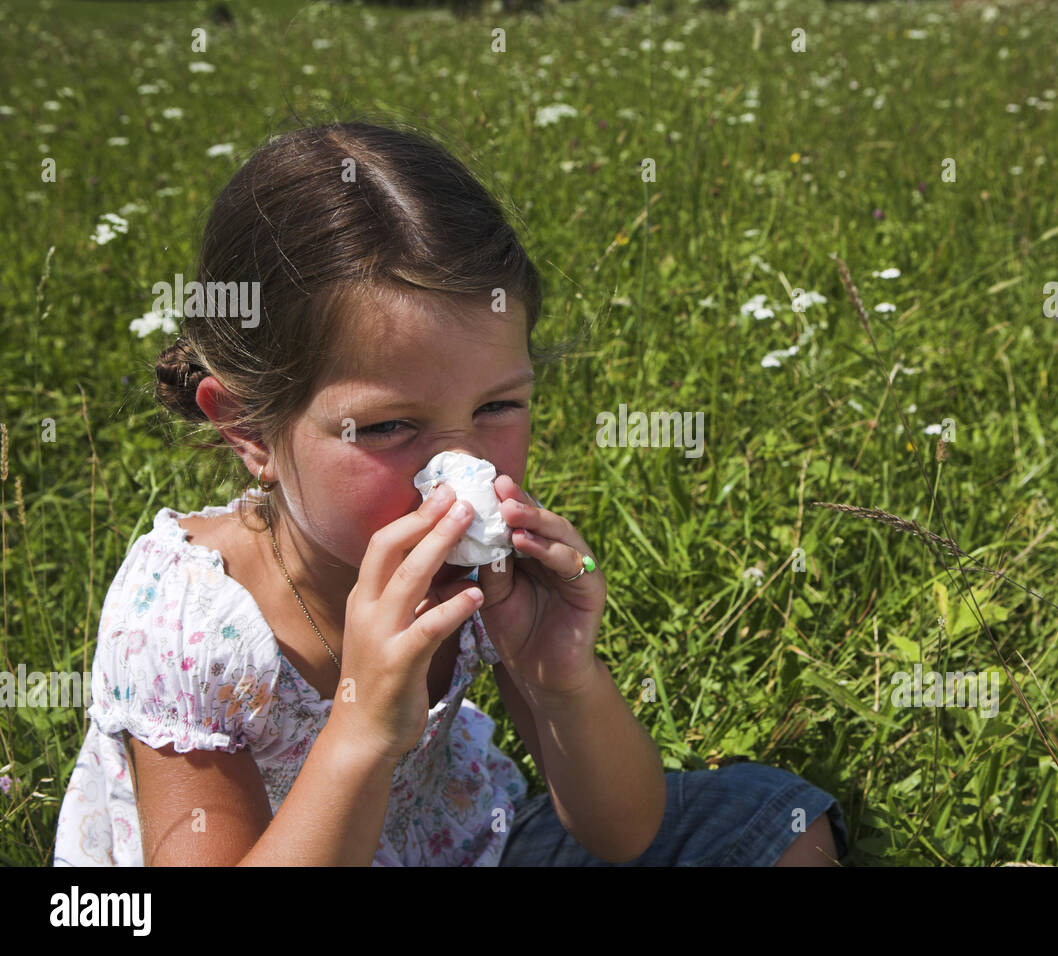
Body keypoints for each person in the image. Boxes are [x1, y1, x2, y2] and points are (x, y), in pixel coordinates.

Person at [53, 120, 849, 867]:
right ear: (252, 433)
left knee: (776, 817)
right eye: (392, 425)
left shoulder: (479, 585)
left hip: (464, 845)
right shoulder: (190, 620)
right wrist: (362, 727)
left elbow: (622, 831)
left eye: (497, 407)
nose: (457, 464)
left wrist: (560, 678)